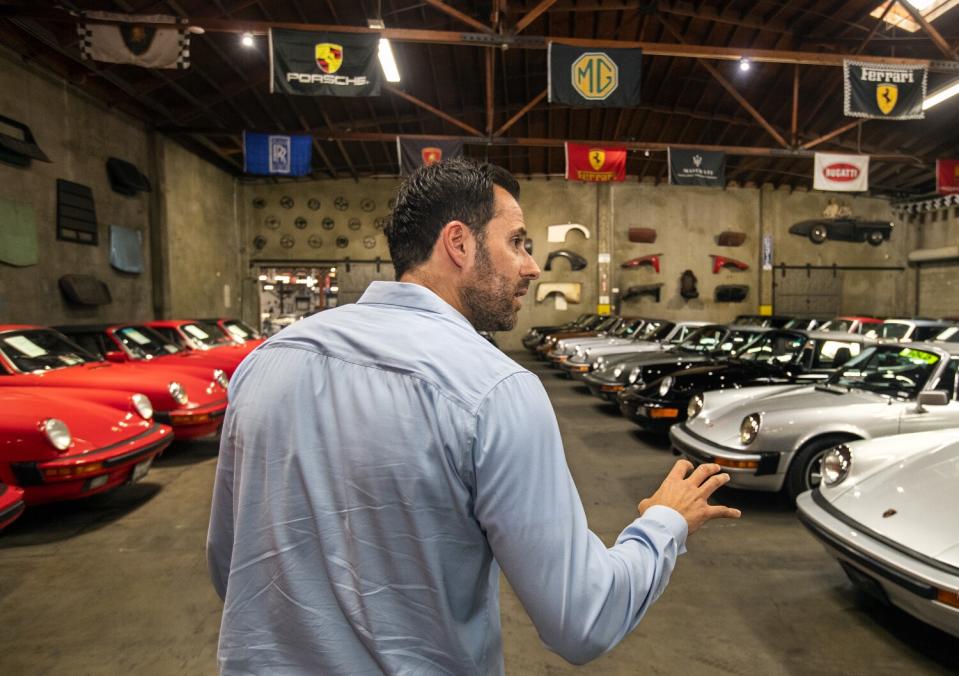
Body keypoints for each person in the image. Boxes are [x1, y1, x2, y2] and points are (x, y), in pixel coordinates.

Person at [207, 159, 741, 674]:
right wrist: (664, 523)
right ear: (459, 244)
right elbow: (583, 619)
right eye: (516, 243)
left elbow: (230, 563)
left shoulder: (266, 362)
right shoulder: (494, 390)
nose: (531, 266)